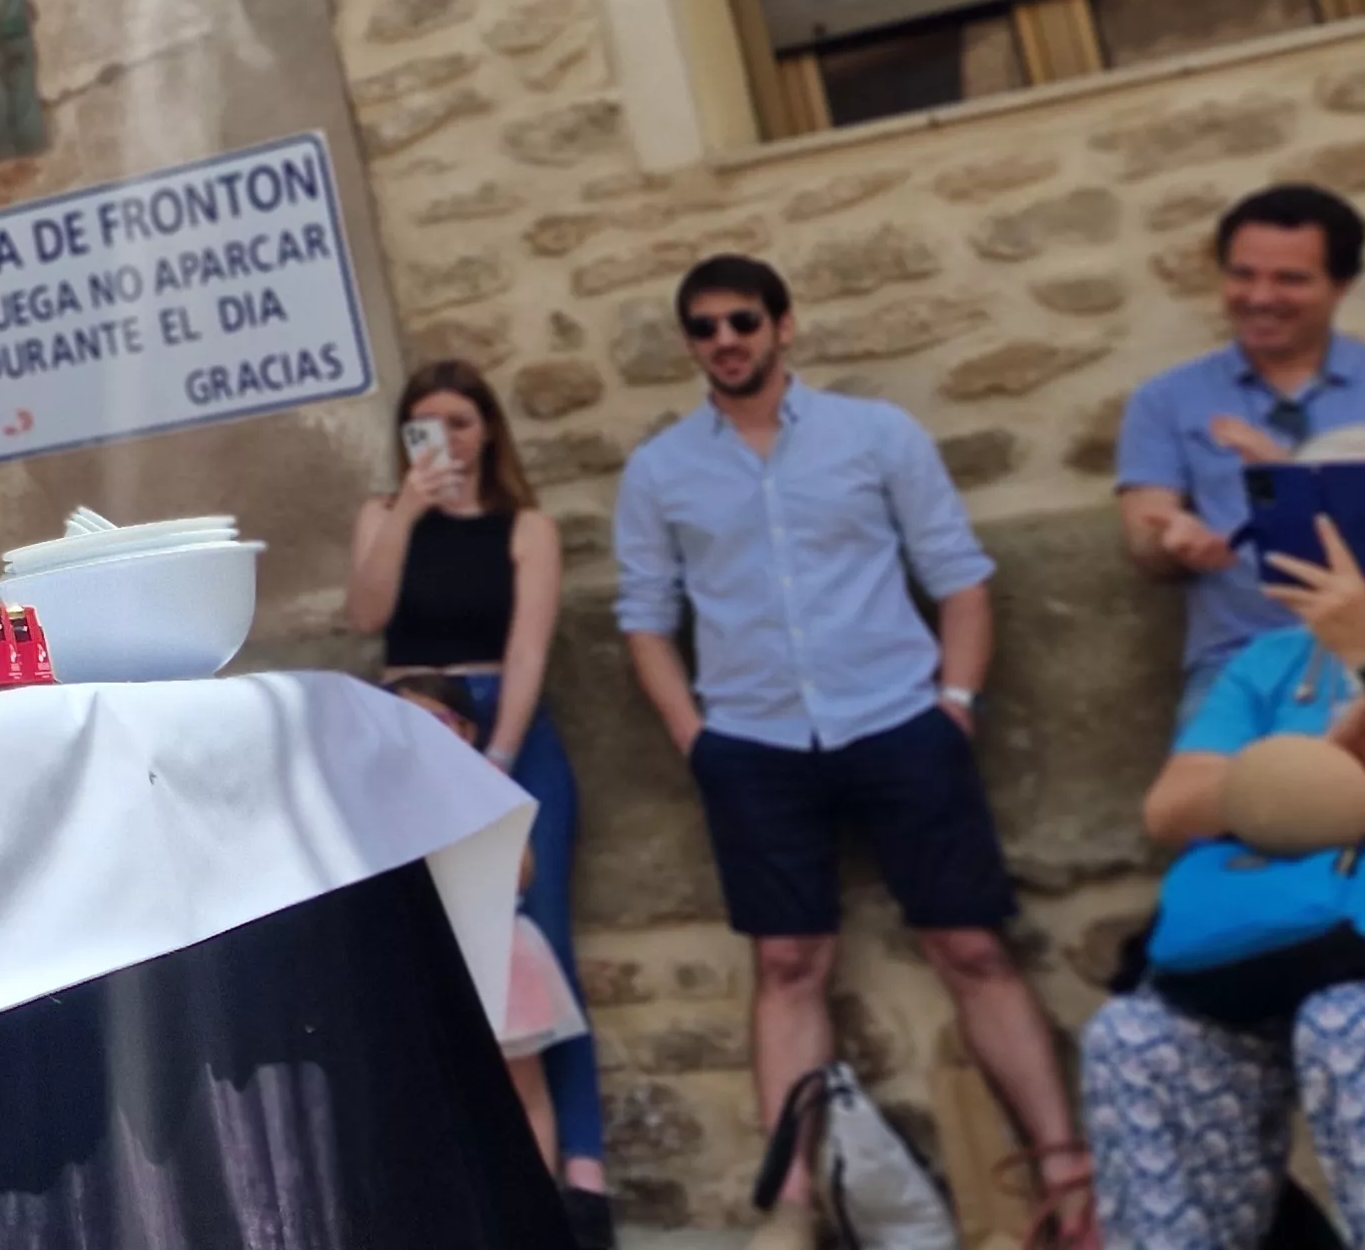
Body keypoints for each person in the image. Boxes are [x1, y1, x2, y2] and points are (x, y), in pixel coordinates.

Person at [615, 254, 1098, 1247]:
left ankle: (1063, 1168)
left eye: (742, 320)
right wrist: (690, 734)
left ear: (784, 325)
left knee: (967, 943)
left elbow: (958, 577)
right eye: (703, 328)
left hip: (895, 721)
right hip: (749, 740)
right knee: (786, 960)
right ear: (687, 345)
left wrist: (951, 705)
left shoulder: (875, 436)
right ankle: (790, 1202)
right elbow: (643, 616)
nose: (724, 341)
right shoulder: (660, 470)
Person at [342, 361, 608, 1232]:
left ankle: (581, 1173)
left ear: (488, 429)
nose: (444, 440)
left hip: (502, 726)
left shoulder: (525, 527)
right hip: (408, 723)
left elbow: (528, 649)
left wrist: (494, 756)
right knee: (417, 947)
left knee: (538, 948)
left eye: (459, 422)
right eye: (424, 425)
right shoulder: (384, 516)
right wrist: (412, 510)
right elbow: (364, 612)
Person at [1081, 508, 1365, 1247]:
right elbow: (1173, 810)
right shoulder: (1270, 663)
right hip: (1273, 948)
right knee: (1136, 1041)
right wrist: (1318, 755)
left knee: (1346, 1028)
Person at [1118, 184, 1365, 732]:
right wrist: (1171, 539)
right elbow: (1144, 532)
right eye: (1242, 274)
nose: (1259, 296)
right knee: (1193, 814)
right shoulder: (1165, 399)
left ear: (1341, 285)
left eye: (1290, 279)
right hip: (1240, 660)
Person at [389, 673, 596, 1197]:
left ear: (466, 731)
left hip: (496, 952)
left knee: (523, 1088)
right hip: (426, 956)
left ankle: (536, 1208)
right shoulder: (386, 796)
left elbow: (523, 869)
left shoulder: (483, 786)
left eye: (433, 720)